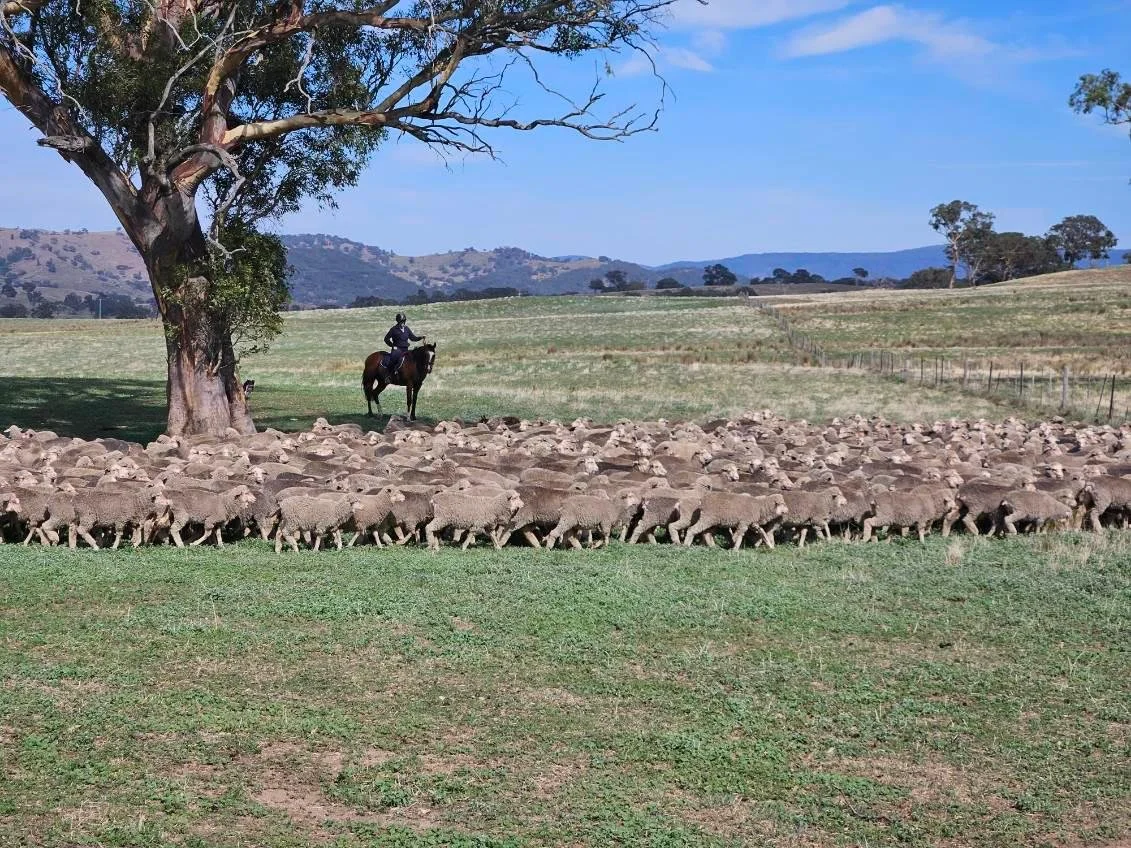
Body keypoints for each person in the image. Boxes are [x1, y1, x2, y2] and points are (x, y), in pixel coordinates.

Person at [383, 312, 425, 379]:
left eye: (404, 321)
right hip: (397, 349)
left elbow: (413, 338)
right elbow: (386, 339)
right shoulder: (393, 329)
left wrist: (421, 337)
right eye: (401, 321)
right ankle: (388, 376)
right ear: (398, 321)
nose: (403, 322)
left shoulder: (407, 329)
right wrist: (392, 346)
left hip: (405, 349)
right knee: (393, 359)